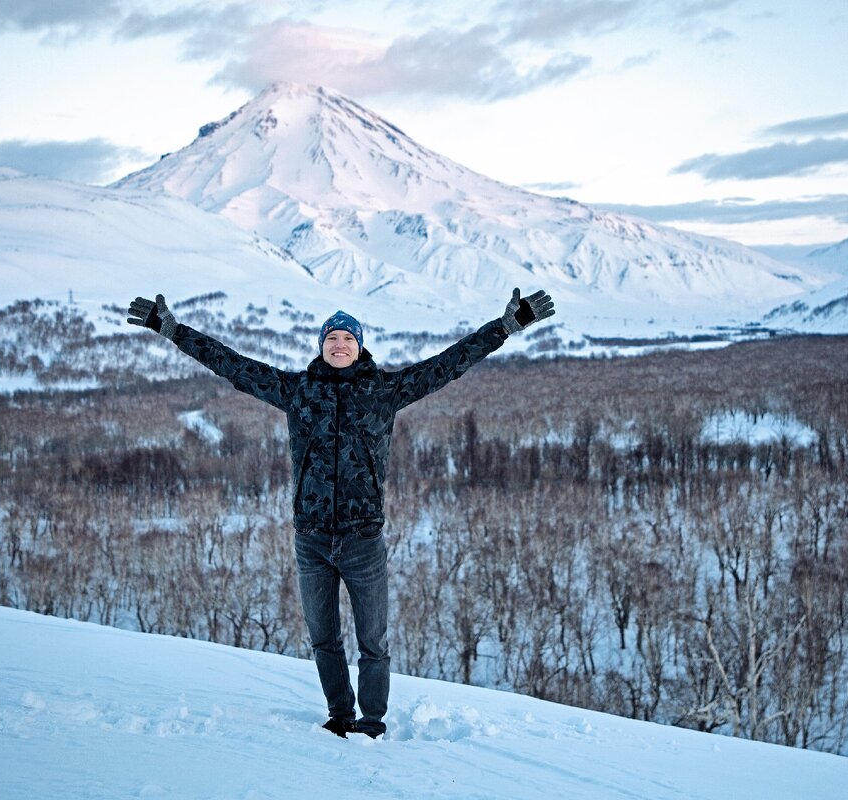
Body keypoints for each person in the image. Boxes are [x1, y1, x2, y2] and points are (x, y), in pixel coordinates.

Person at [126, 289, 555, 739]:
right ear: (321, 346)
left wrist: (504, 328)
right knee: (324, 640)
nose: (339, 345)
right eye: (332, 338)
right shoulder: (296, 391)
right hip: (311, 540)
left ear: (359, 346)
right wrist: (173, 331)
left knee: (374, 642)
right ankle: (340, 714)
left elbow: (447, 365)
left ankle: (371, 723)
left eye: (347, 339)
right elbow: (232, 365)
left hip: (363, 541)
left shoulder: (384, 391)